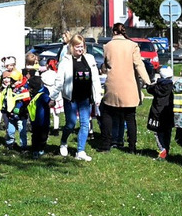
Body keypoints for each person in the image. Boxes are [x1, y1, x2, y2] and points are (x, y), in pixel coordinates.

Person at [100, 22, 152, 153]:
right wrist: (148, 82)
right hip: (129, 86)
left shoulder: (107, 46)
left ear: (113, 32)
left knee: (107, 114)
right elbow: (139, 65)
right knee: (130, 117)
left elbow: (105, 67)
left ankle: (106, 143)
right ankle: (132, 146)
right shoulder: (133, 45)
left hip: (112, 85)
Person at [58, 34, 102, 161]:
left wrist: (97, 95)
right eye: (77, 47)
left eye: (82, 47)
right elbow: (59, 80)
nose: (80, 49)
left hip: (85, 98)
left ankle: (80, 151)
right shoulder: (65, 61)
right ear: (72, 47)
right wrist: (53, 97)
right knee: (70, 124)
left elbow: (95, 79)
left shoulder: (90, 58)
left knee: (85, 124)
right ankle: (63, 142)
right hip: (71, 98)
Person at [146, 66, 175, 160]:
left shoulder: (157, 87)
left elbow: (149, 88)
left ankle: (162, 149)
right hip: (169, 112)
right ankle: (166, 148)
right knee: (168, 132)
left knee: (158, 132)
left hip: (157, 113)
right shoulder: (172, 87)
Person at [27, 69, 53, 157]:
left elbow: (48, 100)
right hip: (35, 120)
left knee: (43, 136)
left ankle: (41, 148)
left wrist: (51, 103)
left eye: (30, 88)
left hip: (43, 121)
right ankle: (35, 150)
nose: (29, 89)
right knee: (35, 135)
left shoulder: (42, 95)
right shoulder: (34, 93)